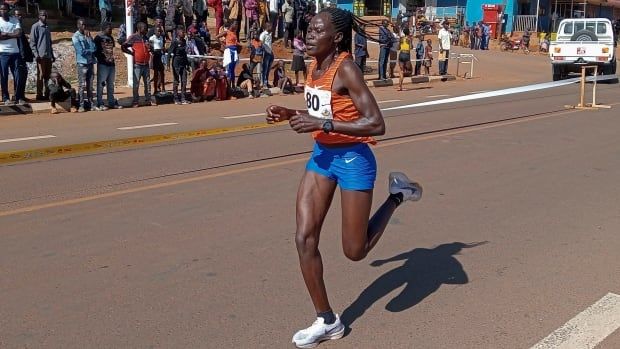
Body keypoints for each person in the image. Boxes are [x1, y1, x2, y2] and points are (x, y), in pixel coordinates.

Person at [265, 8, 422, 349]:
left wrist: (322, 125)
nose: (308, 34)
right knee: (304, 238)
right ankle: (327, 320)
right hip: (322, 157)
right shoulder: (313, 65)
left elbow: (377, 124)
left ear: (335, 38)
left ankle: (397, 195)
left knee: (355, 250)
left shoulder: (346, 68)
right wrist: (291, 114)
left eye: (316, 30)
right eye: (307, 28)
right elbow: (324, 113)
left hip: (353, 160)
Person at [122, 22, 157, 107]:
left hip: (146, 64)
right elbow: (124, 46)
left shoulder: (145, 37)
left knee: (147, 83)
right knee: (136, 83)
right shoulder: (133, 37)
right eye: (144, 28)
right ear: (139, 28)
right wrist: (131, 53)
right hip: (137, 64)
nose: (146, 29)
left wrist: (150, 48)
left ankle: (148, 99)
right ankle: (135, 100)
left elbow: (151, 49)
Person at [94, 22, 121, 110]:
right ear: (104, 28)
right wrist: (101, 58)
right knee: (101, 84)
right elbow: (95, 51)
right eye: (109, 29)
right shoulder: (98, 38)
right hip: (102, 64)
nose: (111, 30)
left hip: (111, 64)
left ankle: (111, 102)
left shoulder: (111, 37)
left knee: (111, 85)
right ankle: (100, 103)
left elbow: (111, 49)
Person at [0, 3, 24, 106]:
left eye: (5, 9)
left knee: (18, 75)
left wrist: (6, 34)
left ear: (8, 10)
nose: (3, 11)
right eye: (1, 9)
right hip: (3, 53)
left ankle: (18, 97)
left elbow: (19, 34)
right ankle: (6, 98)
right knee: (4, 76)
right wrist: (12, 35)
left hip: (15, 52)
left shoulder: (15, 20)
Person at [30, 10, 54, 101]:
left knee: (48, 77)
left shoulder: (47, 27)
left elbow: (49, 42)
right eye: (43, 15)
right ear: (39, 16)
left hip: (48, 56)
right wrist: (36, 54)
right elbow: (32, 42)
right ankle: (39, 95)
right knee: (40, 76)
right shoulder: (35, 26)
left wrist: (52, 55)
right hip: (40, 56)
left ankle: (47, 94)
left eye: (46, 15)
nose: (45, 17)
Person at [72, 18, 96, 112]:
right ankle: (81, 105)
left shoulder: (88, 35)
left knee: (90, 86)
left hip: (90, 63)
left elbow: (94, 48)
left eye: (85, 24)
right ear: (78, 25)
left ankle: (91, 104)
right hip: (82, 64)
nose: (84, 26)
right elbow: (80, 51)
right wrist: (90, 50)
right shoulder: (75, 37)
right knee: (81, 85)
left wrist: (89, 38)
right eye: (82, 25)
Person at [168, 26, 191, 104]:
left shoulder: (184, 41)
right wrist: (168, 65)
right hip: (176, 63)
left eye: (184, 32)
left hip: (183, 63)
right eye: (182, 32)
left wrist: (187, 64)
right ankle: (175, 98)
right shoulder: (175, 42)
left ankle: (183, 98)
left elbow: (184, 54)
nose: (184, 34)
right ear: (178, 33)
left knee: (184, 81)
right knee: (176, 81)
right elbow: (169, 53)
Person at [13, 8, 31, 105]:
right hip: (17, 56)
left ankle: (21, 95)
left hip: (22, 57)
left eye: (20, 15)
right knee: (19, 76)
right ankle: (18, 97)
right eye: (17, 15)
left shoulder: (20, 27)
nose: (19, 17)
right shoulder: (14, 28)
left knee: (23, 75)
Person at [216, 21, 240, 86]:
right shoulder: (226, 32)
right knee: (229, 69)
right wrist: (224, 45)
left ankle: (233, 86)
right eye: (236, 24)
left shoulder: (234, 33)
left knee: (233, 69)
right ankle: (228, 87)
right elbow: (217, 37)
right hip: (229, 50)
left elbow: (235, 42)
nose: (237, 26)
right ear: (232, 24)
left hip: (234, 51)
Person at [149, 25, 167, 95]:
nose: (159, 33)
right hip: (155, 56)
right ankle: (155, 89)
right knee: (156, 74)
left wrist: (164, 50)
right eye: (158, 31)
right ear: (155, 31)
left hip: (161, 56)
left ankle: (163, 88)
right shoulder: (152, 38)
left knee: (162, 73)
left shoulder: (162, 38)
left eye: (160, 31)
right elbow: (151, 48)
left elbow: (162, 46)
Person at [259, 22, 274, 87]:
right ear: (267, 27)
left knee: (268, 69)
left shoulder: (270, 34)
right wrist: (265, 51)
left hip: (270, 52)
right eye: (270, 26)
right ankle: (264, 83)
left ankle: (266, 82)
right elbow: (261, 44)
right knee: (265, 69)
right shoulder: (263, 34)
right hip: (266, 53)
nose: (271, 27)